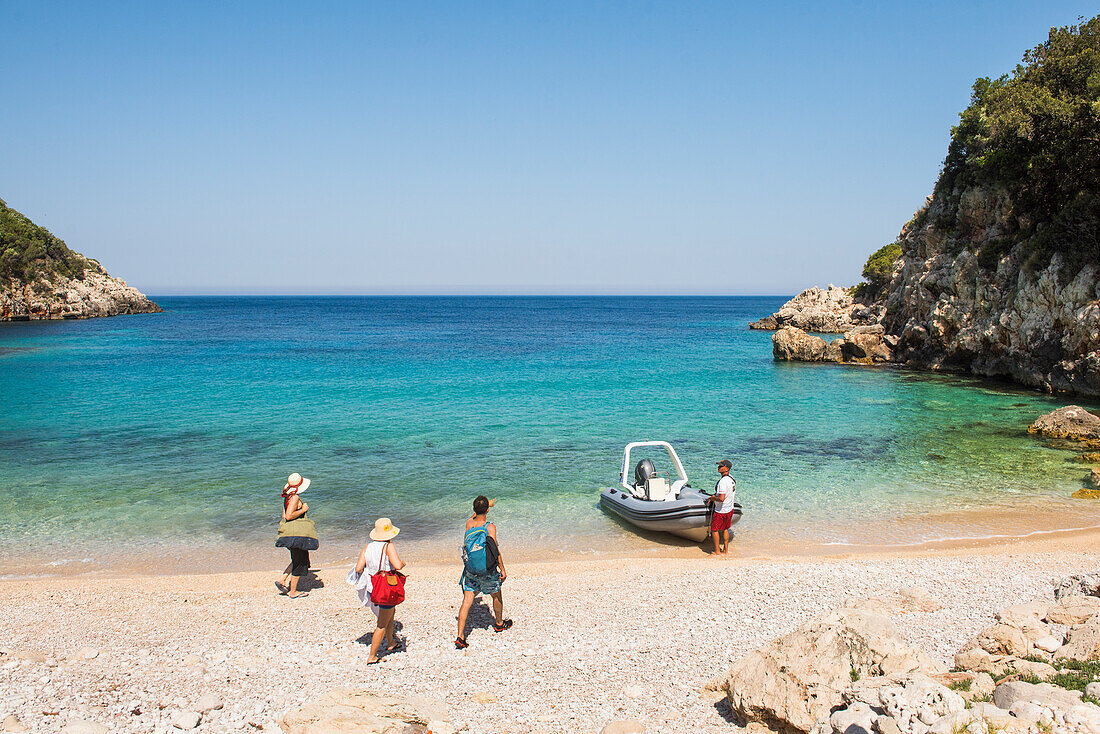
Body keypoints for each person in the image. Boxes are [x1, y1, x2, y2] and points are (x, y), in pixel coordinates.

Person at [455, 496, 511, 648]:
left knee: (467, 601)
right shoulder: (490, 527)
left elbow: (474, 516)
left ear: (474, 510)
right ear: (487, 510)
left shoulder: (469, 524)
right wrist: (503, 569)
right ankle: (499, 624)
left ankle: (460, 636)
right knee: (496, 595)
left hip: (471, 570)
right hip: (487, 571)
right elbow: (494, 550)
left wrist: (484, 507)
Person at [354, 518, 407, 664]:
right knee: (381, 623)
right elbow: (397, 565)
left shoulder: (367, 547)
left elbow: (358, 568)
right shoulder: (388, 546)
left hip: (373, 587)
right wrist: (402, 563)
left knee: (390, 614)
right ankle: (372, 656)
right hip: (385, 588)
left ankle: (390, 643)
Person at [275, 472, 318, 598]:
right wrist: (303, 510)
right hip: (297, 534)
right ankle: (293, 591)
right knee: (300, 562)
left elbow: (284, 516)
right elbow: (288, 516)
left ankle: (282, 579)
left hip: (290, 533)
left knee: (297, 558)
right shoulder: (294, 498)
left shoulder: (287, 497)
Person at [706, 459, 736, 556]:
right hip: (730, 508)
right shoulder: (731, 479)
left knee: (714, 530)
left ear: (726, 468)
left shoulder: (722, 482)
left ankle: (717, 552)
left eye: (721, 466)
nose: (718, 467)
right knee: (725, 529)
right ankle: (726, 550)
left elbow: (721, 498)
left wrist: (713, 498)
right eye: (719, 466)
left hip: (721, 510)